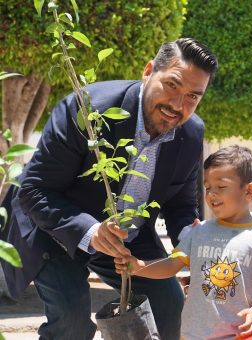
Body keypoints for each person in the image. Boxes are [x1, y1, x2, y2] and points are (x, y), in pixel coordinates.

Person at [0, 38, 218, 340]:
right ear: (148, 71)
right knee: (72, 322)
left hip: (128, 240)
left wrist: (191, 237)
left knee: (169, 304)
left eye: (193, 97)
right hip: (56, 229)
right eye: (172, 85)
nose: (178, 106)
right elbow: (35, 191)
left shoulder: (192, 133)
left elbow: (180, 205)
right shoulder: (89, 109)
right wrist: (91, 231)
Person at [115, 145, 252, 339]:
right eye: (207, 187)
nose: (211, 194)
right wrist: (138, 267)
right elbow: (171, 265)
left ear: (249, 191)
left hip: (240, 334)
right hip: (193, 334)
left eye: (221, 187)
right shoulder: (199, 231)